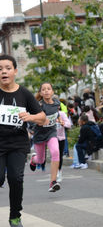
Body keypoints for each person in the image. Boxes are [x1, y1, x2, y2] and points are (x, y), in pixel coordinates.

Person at [0, 54, 46, 227]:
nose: (3, 71)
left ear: (15, 71)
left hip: (18, 144)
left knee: (16, 178)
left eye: (7, 68)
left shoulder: (24, 93)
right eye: (0, 69)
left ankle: (15, 216)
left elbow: (43, 118)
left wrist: (30, 116)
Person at [30, 82, 61, 192]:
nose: (46, 91)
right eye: (44, 89)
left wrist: (59, 119)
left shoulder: (57, 103)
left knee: (56, 152)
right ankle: (33, 159)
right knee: (40, 159)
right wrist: (38, 123)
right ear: (41, 93)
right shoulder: (39, 106)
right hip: (39, 135)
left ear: (52, 91)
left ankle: (53, 182)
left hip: (51, 133)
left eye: (49, 89)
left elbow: (57, 113)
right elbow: (31, 118)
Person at [56, 108, 72, 182]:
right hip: (51, 138)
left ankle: (59, 171)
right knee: (54, 155)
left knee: (59, 156)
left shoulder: (61, 114)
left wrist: (63, 123)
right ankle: (56, 171)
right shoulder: (47, 113)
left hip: (60, 138)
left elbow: (69, 124)